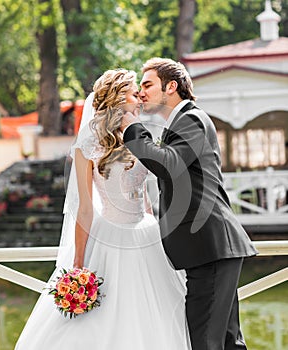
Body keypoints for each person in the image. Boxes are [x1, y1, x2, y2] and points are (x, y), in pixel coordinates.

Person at [15, 69, 191, 349]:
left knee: (152, 316)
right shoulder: (89, 145)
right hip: (108, 237)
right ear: (120, 97)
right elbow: (84, 208)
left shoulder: (139, 136)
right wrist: (78, 265)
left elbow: (143, 194)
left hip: (146, 235)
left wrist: (155, 227)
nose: (140, 98)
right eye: (135, 93)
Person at [121, 57, 258, 350]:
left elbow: (169, 165)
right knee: (226, 341)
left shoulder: (192, 119)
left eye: (147, 84)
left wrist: (133, 129)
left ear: (171, 86)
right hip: (208, 248)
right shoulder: (180, 123)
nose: (142, 92)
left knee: (206, 341)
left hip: (210, 246)